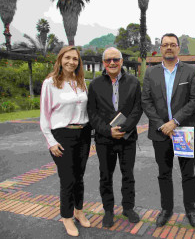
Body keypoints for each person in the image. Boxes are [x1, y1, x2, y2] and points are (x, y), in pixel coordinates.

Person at [141, 33, 195, 228]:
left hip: (184, 130)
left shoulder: (191, 70)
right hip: (160, 133)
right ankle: (166, 209)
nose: (169, 47)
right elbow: (146, 101)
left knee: (188, 173)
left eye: (172, 44)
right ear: (160, 48)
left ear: (178, 48)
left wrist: (174, 122)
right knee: (164, 173)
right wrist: (162, 124)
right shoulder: (151, 73)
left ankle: (191, 211)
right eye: (165, 44)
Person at [87, 47, 143, 227]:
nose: (112, 63)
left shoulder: (134, 82)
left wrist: (125, 128)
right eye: (108, 60)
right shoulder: (95, 84)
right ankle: (108, 210)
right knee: (106, 176)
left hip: (128, 138)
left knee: (128, 175)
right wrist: (107, 130)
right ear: (103, 63)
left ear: (121, 61)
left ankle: (128, 207)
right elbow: (92, 113)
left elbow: (137, 108)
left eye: (116, 59)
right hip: (105, 139)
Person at [40, 46, 91, 237]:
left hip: (83, 134)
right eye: (67, 58)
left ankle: (79, 211)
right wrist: (51, 141)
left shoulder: (81, 82)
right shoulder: (50, 83)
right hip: (62, 136)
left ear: (79, 62)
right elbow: (44, 117)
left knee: (79, 177)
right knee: (67, 178)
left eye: (75, 59)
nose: (71, 62)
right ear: (60, 60)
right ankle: (67, 217)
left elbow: (86, 111)